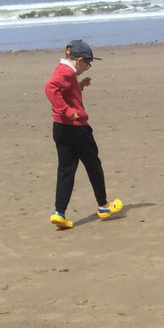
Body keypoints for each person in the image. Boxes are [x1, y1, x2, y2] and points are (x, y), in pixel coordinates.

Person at [44, 39, 123, 230]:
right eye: (87, 64)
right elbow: (51, 88)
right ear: (78, 60)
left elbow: (65, 92)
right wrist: (68, 111)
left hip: (60, 128)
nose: (87, 68)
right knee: (93, 164)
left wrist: (79, 86)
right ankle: (103, 206)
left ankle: (59, 212)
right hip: (76, 127)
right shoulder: (66, 72)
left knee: (66, 169)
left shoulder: (63, 71)